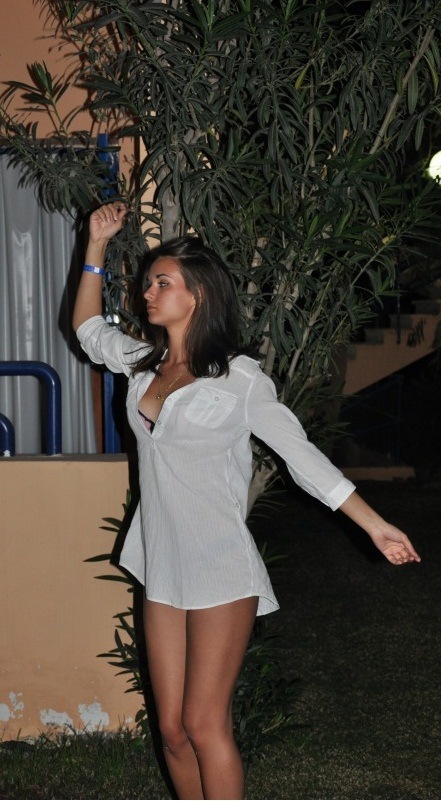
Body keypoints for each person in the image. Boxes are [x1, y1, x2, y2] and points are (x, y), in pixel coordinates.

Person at [73, 201, 421, 801]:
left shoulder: (241, 380)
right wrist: (95, 245)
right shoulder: (143, 364)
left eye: (162, 283)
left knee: (204, 724)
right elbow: (86, 329)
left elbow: (302, 457)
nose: (147, 293)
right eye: (149, 282)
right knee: (172, 731)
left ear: (199, 294)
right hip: (161, 563)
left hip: (220, 566)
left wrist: (374, 524)